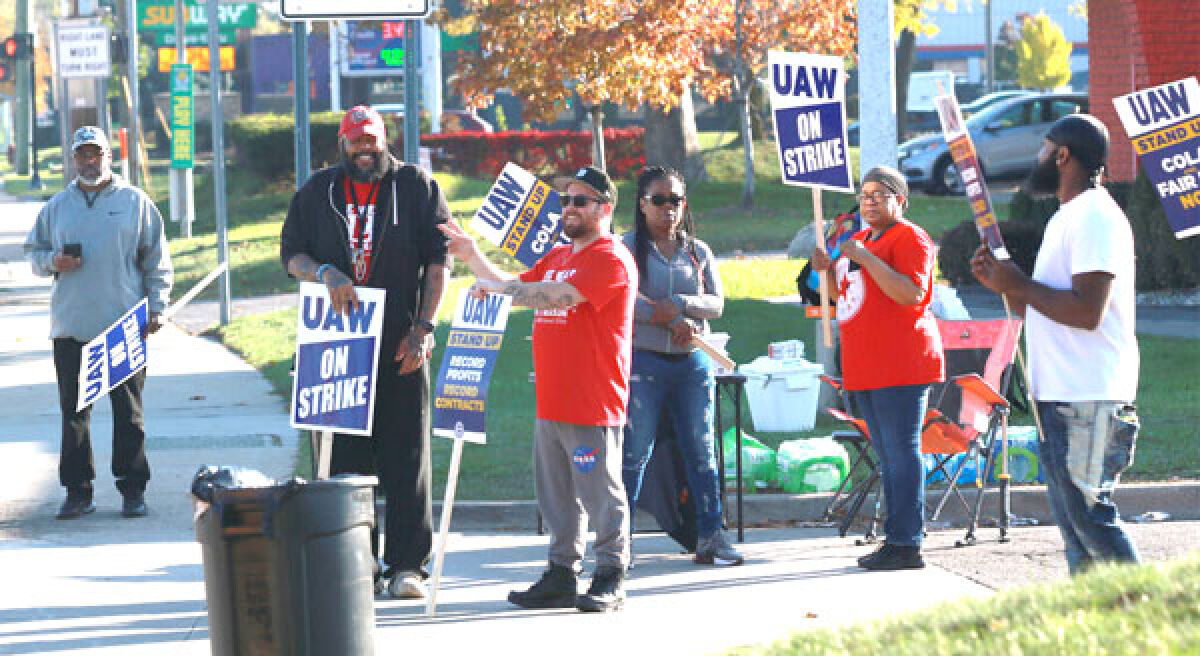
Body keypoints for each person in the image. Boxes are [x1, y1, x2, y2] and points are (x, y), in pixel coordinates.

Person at [439, 166, 637, 613]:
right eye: (565, 200)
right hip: (552, 400)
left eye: (580, 201)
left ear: (604, 209)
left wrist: (501, 287)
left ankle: (611, 573)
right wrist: (472, 255)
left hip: (592, 401)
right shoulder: (560, 254)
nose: (569, 208)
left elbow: (555, 296)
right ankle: (562, 574)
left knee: (601, 495)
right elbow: (521, 286)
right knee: (557, 499)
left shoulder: (611, 257)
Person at [280, 105, 451, 599]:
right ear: (342, 142)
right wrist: (326, 273)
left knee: (407, 458)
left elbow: (438, 264)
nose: (364, 148)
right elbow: (291, 256)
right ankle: (355, 565)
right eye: (356, 140)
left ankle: (407, 567)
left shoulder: (416, 186)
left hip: (401, 342)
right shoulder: (317, 192)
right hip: (337, 348)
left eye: (372, 139)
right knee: (342, 464)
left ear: (385, 139)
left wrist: (423, 327)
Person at [971, 113, 1141, 574]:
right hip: (1063, 395)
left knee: (1091, 519)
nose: (1038, 158)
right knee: (1076, 532)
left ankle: (1152, 611)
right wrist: (1004, 284)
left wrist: (1020, 286)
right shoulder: (1069, 216)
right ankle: (1099, 633)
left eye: (1044, 148)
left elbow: (1088, 312)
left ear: (1062, 155)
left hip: (1088, 395)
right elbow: (1049, 307)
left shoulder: (1096, 216)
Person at [23, 126, 174, 520]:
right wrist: (52, 262)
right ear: (74, 160)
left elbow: (157, 260)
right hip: (71, 326)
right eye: (82, 155)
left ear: (110, 156)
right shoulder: (57, 206)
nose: (90, 162)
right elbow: (33, 251)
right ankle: (78, 491)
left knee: (129, 414)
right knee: (73, 414)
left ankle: (132, 489)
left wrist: (157, 306)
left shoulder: (135, 203)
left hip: (123, 325)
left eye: (97, 154)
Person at [810, 166, 944, 571]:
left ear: (900, 200)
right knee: (887, 456)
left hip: (901, 364)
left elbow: (911, 292)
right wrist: (825, 271)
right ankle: (896, 536)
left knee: (902, 454)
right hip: (865, 365)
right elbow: (845, 296)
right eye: (864, 194)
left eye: (879, 194)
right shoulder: (859, 240)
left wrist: (866, 258)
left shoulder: (910, 237)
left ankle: (907, 542)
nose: (868, 201)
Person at [620, 166, 743, 566]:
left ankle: (711, 535)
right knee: (635, 453)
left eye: (675, 200)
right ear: (642, 204)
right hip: (644, 364)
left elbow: (717, 303)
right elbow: (621, 298)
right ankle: (618, 542)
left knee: (702, 452)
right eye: (658, 200)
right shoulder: (626, 249)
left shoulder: (698, 251)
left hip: (692, 364)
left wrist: (685, 307)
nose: (668, 209)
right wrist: (662, 316)